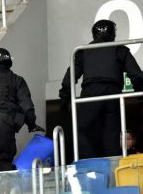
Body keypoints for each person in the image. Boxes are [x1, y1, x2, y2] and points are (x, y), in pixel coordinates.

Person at [59, 19, 143, 159]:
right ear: (112, 34)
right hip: (113, 94)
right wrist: (141, 96)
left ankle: (92, 165)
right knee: (112, 136)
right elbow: (136, 74)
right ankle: (112, 168)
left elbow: (71, 74)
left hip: (91, 93)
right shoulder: (120, 49)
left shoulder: (83, 51)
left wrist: (64, 96)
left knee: (80, 130)